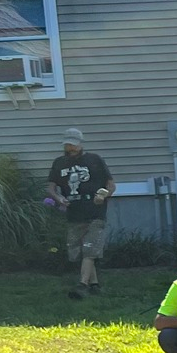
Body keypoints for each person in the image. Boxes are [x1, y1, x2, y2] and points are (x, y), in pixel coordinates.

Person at [48, 128, 114, 299]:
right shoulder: (59, 163)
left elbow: (111, 185)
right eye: (68, 145)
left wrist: (103, 195)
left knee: (90, 249)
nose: (71, 149)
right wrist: (58, 198)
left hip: (95, 212)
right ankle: (94, 285)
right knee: (77, 253)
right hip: (74, 213)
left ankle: (82, 285)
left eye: (74, 145)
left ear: (80, 144)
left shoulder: (94, 160)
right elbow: (51, 187)